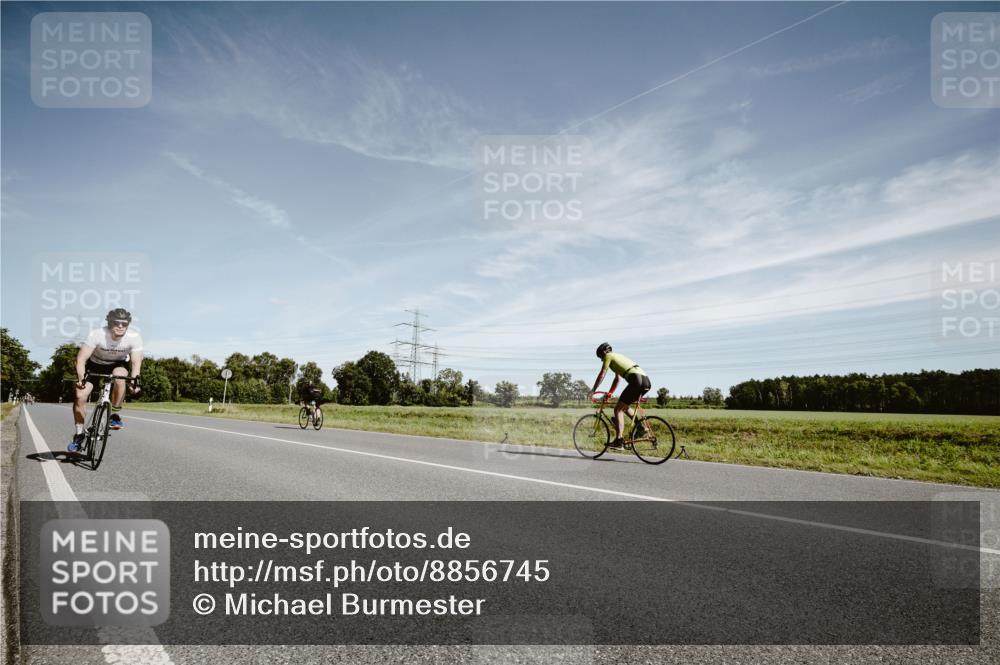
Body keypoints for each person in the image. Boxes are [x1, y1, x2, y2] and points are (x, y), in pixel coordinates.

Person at [68, 308, 143, 452]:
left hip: (117, 364)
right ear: (109, 323)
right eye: (116, 323)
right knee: (80, 396)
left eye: (124, 324)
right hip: (94, 365)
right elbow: (81, 359)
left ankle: (114, 414)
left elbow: (135, 363)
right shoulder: (97, 334)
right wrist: (80, 379)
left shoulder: (134, 337)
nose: (120, 326)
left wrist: (134, 382)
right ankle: (79, 434)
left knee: (120, 377)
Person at [591, 342, 651, 449]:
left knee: (617, 409)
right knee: (624, 406)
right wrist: (610, 393)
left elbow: (602, 374)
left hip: (635, 380)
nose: (601, 359)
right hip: (646, 381)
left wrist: (593, 390)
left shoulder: (608, 356)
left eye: (601, 356)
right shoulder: (618, 356)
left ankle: (619, 440)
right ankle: (641, 427)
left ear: (605, 352)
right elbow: (617, 379)